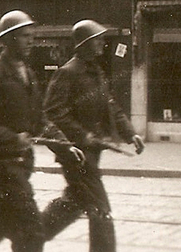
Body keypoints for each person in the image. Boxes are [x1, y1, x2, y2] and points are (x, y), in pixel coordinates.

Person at [0, 11, 83, 252]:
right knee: (31, 234)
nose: (31, 41)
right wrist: (14, 139)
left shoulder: (27, 74)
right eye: (24, 36)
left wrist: (66, 145)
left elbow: (40, 119)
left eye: (32, 36)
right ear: (9, 39)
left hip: (16, 167)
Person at [41, 19, 144, 252]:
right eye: (97, 40)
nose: (102, 45)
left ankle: (32, 235)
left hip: (91, 153)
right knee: (100, 208)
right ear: (84, 45)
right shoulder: (67, 73)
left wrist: (130, 134)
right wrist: (82, 136)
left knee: (74, 203)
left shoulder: (95, 72)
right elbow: (53, 113)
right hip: (76, 155)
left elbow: (111, 106)